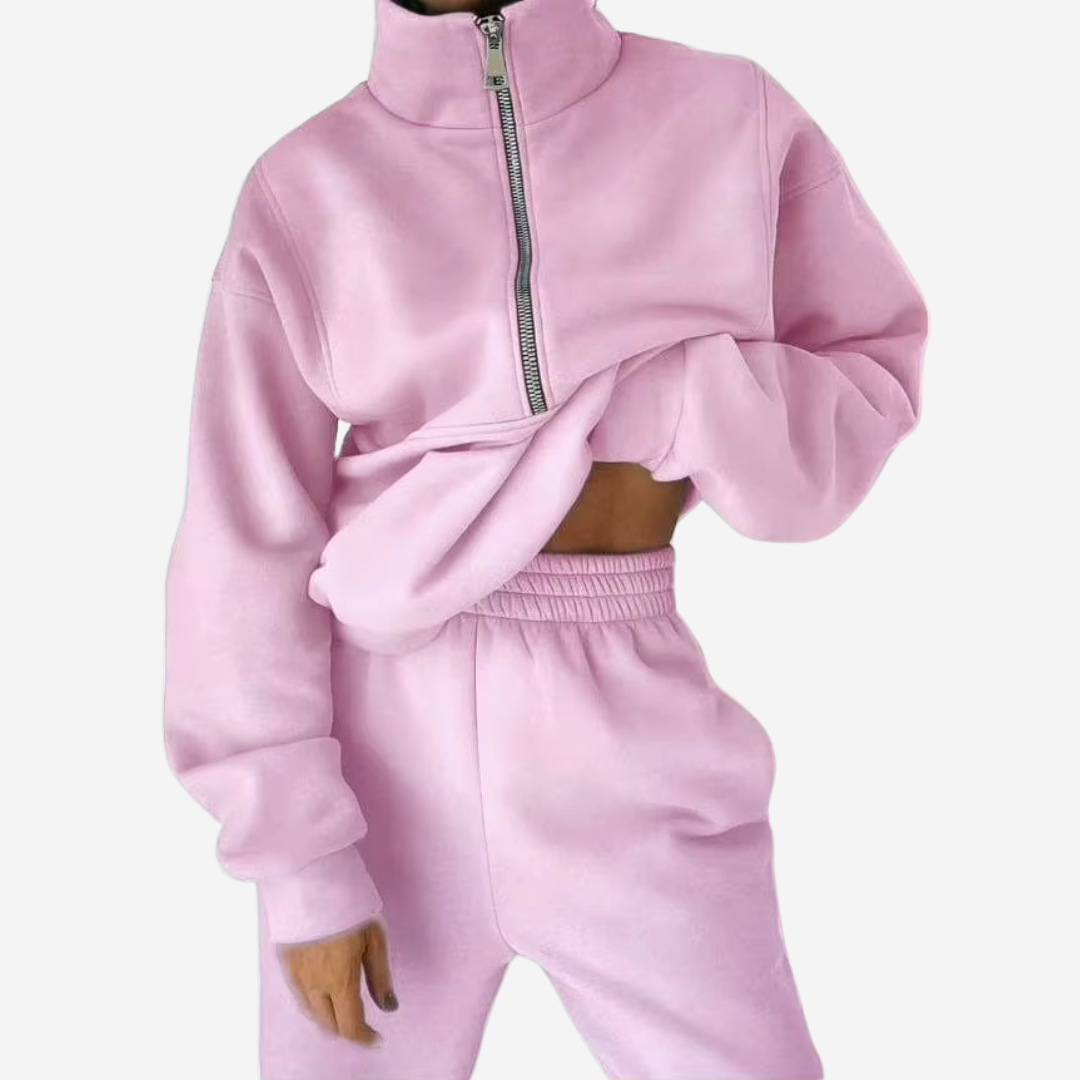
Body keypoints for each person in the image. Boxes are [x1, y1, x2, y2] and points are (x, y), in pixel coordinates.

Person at [162, 0, 928, 1075]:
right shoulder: (305, 184)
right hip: (381, 744)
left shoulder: (731, 116)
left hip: (631, 715)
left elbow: (870, 377)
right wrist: (298, 863)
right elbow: (241, 537)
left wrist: (676, 395)